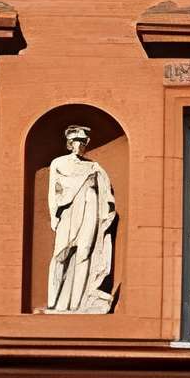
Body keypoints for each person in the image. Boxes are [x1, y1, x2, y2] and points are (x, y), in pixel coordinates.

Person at [46, 124, 119, 313]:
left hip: (90, 208)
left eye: (83, 141)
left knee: (84, 253)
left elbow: (106, 195)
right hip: (69, 212)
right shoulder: (59, 163)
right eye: (77, 141)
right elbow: (53, 193)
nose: (80, 144)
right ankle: (55, 302)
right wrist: (54, 215)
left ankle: (77, 303)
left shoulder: (94, 166)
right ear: (69, 143)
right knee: (61, 253)